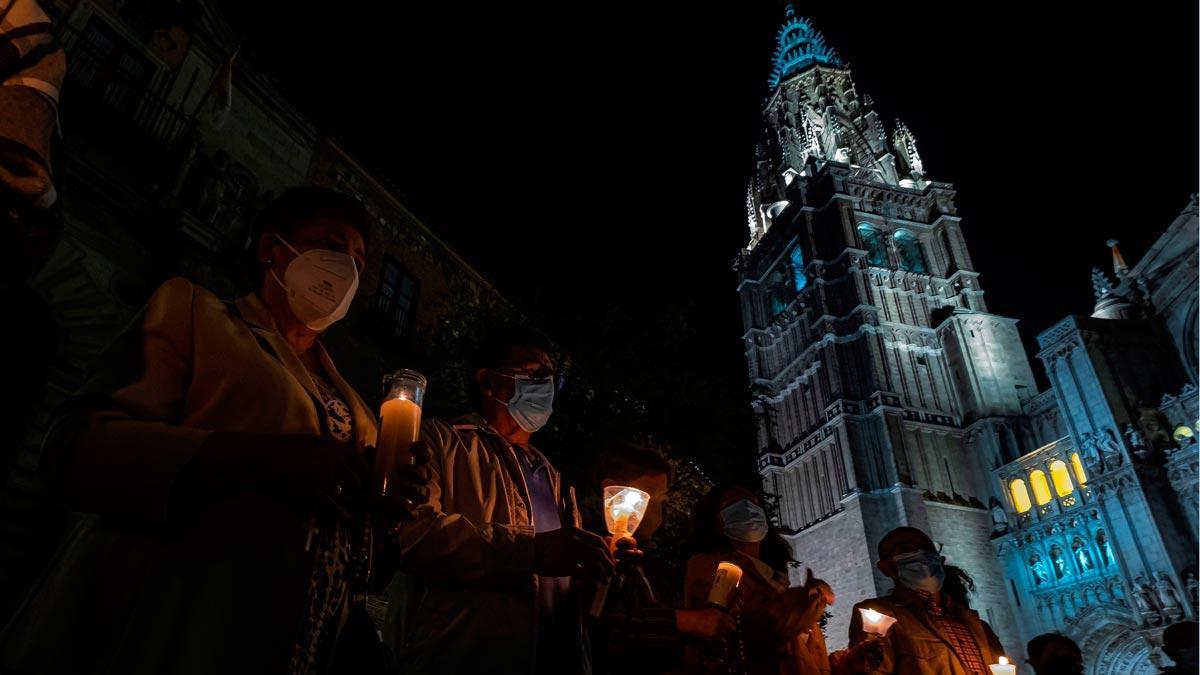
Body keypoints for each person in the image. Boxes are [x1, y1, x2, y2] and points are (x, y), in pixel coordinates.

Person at [0, 187, 430, 675]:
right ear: (272, 249)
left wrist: (384, 517)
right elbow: (74, 448)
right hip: (172, 622)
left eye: (359, 259)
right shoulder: (197, 313)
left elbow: (363, 570)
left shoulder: (362, 411)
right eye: (332, 245)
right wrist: (259, 459)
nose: (347, 270)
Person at [386, 326, 615, 674]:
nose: (545, 385)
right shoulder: (444, 442)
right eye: (531, 372)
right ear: (487, 381)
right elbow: (413, 536)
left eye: (551, 377)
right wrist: (530, 551)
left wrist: (598, 565)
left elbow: (561, 587)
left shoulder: (552, 477)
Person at [590, 443, 738, 675]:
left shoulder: (646, 566)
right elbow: (602, 630)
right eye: (649, 493)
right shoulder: (591, 553)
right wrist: (686, 621)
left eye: (661, 499)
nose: (658, 508)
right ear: (613, 493)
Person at [683, 483, 834, 675]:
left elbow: (805, 659)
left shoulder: (776, 578)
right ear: (714, 522)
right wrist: (809, 598)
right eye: (732, 503)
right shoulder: (710, 566)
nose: (746, 508)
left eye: (752, 503)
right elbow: (755, 630)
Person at [845, 527, 1005, 675]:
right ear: (887, 568)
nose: (920, 554)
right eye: (905, 549)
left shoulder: (978, 625)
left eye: (927, 549)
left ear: (941, 561)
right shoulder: (877, 615)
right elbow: (873, 670)